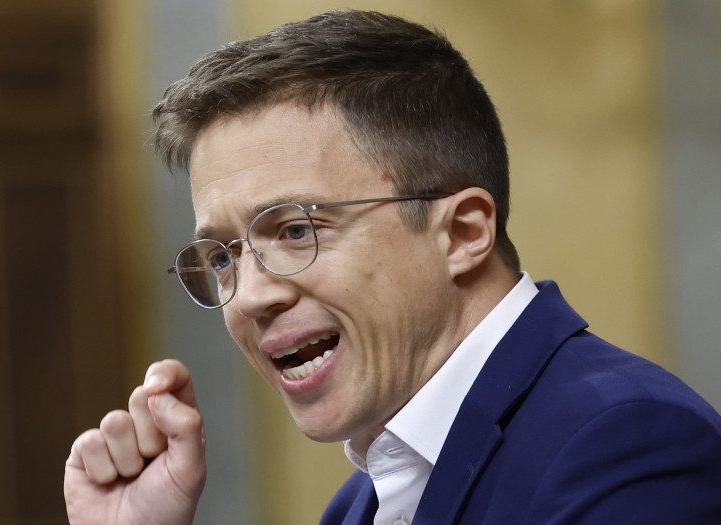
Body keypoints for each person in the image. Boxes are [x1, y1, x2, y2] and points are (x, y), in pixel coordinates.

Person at [64, 9, 721, 525]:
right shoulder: (358, 507)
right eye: (224, 255)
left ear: (463, 232)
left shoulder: (625, 445)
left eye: (294, 229)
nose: (251, 296)